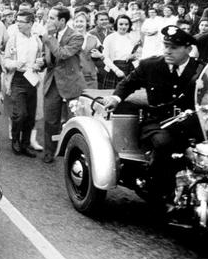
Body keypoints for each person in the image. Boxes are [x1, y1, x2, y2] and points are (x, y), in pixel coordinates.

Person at [102, 26, 200, 203]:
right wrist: (116, 98)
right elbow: (128, 83)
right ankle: (160, 192)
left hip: (192, 123)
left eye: (174, 47)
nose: (168, 51)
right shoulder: (151, 65)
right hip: (158, 122)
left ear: (188, 49)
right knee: (164, 144)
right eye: (166, 46)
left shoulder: (200, 69)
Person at [39, 6, 85, 164]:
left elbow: (63, 54)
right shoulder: (50, 35)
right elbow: (50, 58)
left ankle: (73, 153)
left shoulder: (76, 36)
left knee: (72, 121)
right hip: (52, 83)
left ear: (62, 20)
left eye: (52, 18)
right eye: (48, 17)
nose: (48, 21)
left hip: (70, 83)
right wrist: (42, 62)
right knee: (51, 120)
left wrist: (49, 38)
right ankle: (49, 151)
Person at [2, 10, 44, 157]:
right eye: (17, 21)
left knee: (30, 115)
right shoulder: (13, 40)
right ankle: (15, 140)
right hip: (17, 79)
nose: (18, 24)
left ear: (31, 23)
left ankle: (25, 144)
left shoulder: (36, 40)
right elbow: (5, 60)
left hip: (32, 79)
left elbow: (41, 59)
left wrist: (39, 64)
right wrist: (15, 63)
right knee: (20, 113)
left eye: (21, 21)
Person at [100, 14, 139, 89]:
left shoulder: (132, 38)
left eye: (126, 24)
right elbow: (105, 57)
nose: (124, 26)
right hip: (114, 70)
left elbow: (136, 55)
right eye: (121, 24)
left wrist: (134, 57)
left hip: (130, 69)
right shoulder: (110, 38)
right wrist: (116, 70)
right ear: (116, 25)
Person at [73, 12, 101, 89]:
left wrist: (99, 55)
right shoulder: (68, 39)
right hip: (74, 78)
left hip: (90, 78)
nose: (79, 24)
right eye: (76, 21)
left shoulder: (94, 39)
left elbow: (102, 56)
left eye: (81, 21)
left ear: (87, 23)